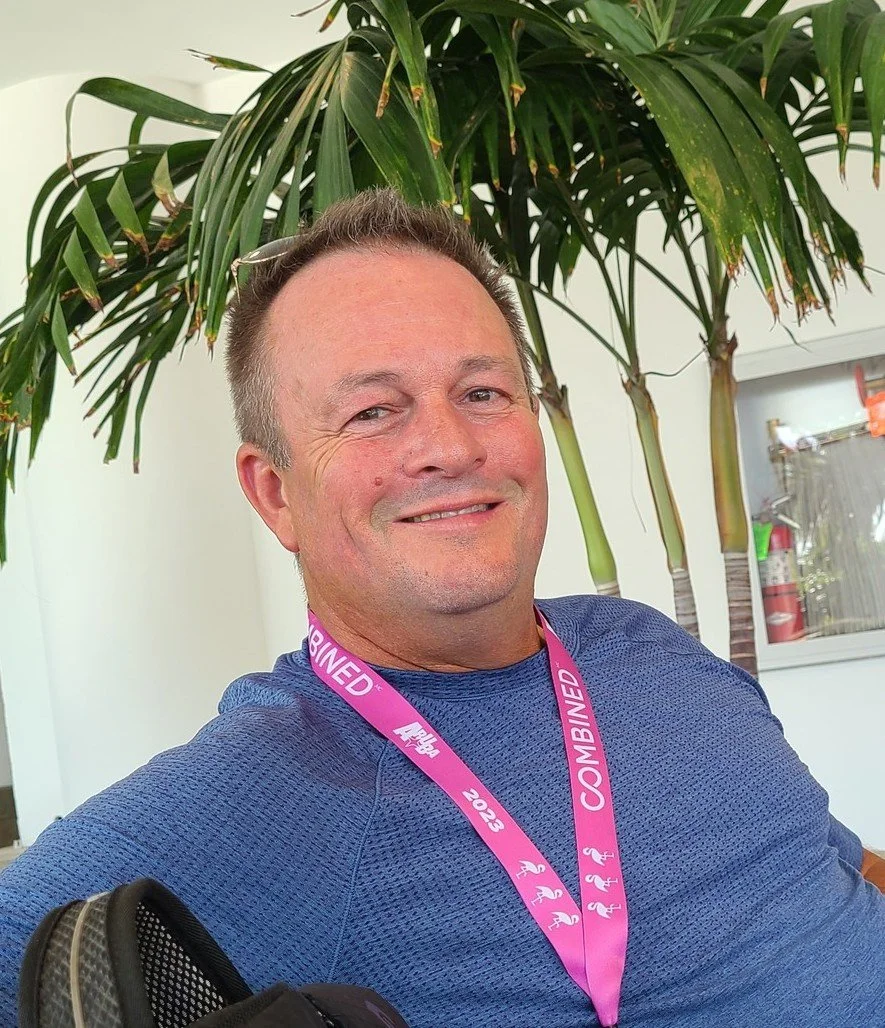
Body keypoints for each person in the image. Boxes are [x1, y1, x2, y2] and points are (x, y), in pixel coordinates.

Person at [1, 188, 883, 1028]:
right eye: (375, 411)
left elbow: (828, 867)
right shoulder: (253, 794)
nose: (450, 446)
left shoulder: (644, 645)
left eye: (482, 393)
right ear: (273, 494)